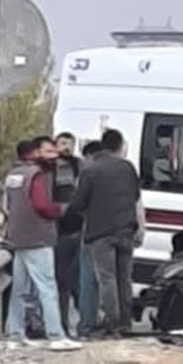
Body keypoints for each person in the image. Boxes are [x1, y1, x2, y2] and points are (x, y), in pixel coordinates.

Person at [2, 136, 81, 352]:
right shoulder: (36, 175)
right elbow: (42, 205)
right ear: (35, 153)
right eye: (49, 152)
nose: (54, 156)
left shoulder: (13, 175)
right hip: (38, 237)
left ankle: (15, 334)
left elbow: (6, 205)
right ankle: (56, 335)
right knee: (47, 286)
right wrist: (59, 211)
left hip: (17, 237)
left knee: (19, 288)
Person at [69, 128, 143, 337]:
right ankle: (126, 322)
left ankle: (113, 323)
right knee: (124, 278)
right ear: (120, 145)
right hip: (126, 230)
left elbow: (77, 202)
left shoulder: (90, 170)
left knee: (107, 278)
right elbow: (135, 196)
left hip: (100, 232)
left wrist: (87, 212)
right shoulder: (128, 168)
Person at [51, 132, 84, 335]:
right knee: (62, 280)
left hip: (79, 229)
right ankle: (62, 323)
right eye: (62, 143)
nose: (66, 148)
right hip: (59, 231)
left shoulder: (79, 166)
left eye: (70, 144)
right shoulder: (50, 169)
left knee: (78, 281)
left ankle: (83, 321)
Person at [75, 140, 104, 335]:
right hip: (117, 232)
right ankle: (111, 322)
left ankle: (86, 324)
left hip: (90, 232)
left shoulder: (87, 174)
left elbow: (78, 203)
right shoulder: (123, 170)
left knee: (87, 281)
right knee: (110, 279)